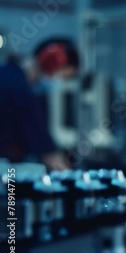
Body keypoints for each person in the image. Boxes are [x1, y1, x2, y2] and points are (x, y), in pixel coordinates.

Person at [0, 38, 79, 169]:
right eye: (63, 76)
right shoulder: (20, 91)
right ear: (51, 62)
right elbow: (50, 156)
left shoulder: (7, 74)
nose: (61, 82)